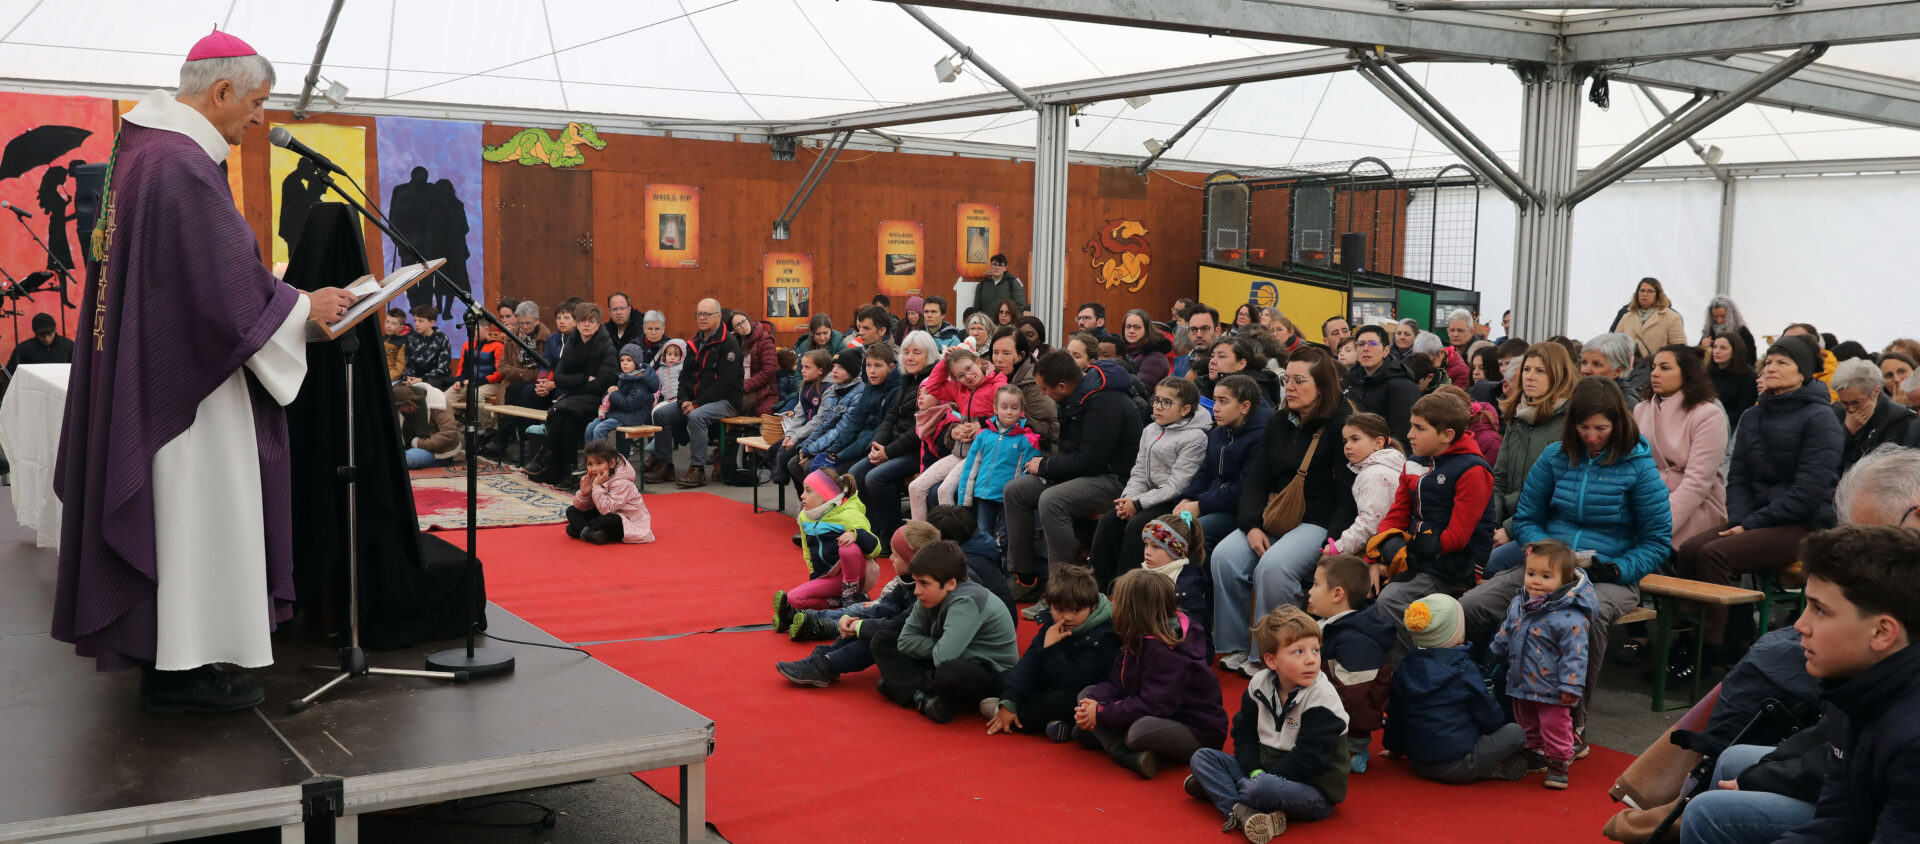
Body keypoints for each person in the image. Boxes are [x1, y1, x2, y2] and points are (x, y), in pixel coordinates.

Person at [52, 30, 363, 710]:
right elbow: (224, 294)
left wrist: (275, 300)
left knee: (181, 524)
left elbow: (198, 281)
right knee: (192, 520)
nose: (259, 118)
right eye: (256, 102)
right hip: (188, 394)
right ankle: (179, 672)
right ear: (220, 92)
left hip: (169, 374)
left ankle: (177, 662)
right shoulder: (181, 166)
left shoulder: (145, 152)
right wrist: (303, 306)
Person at [1462, 378, 1670, 739]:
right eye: (1584, 427)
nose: (1592, 436)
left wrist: (1618, 567)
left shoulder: (1638, 465)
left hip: (1610, 575)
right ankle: (1472, 695)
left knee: (1584, 620)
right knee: (1471, 605)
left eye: (1601, 429)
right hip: (1548, 566)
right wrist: (1545, 551)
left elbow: (1656, 541)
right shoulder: (1555, 456)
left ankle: (1573, 724)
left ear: (1618, 425)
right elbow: (1526, 518)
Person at [1676, 335, 1843, 670]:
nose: (1772, 367)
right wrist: (1739, 518)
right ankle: (1713, 635)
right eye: (1769, 361)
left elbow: (1809, 491)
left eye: (1783, 362)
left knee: (1715, 553)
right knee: (1690, 548)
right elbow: (1737, 478)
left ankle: (1710, 649)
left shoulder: (1820, 418)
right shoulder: (1753, 416)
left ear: (1803, 374)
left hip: (1803, 524)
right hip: (1755, 519)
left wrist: (1749, 524)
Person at [1767, 525, 1920, 844]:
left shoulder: (1912, 740)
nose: (1800, 625)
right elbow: (1839, 820)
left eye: (1820, 609)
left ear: (1881, 633)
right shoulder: (1852, 690)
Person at [1211, 348, 1356, 669]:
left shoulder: (1341, 426)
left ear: (1322, 386)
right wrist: (1250, 526)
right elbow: (1257, 479)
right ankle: (1236, 644)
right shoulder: (1280, 420)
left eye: (1298, 380)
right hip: (1274, 515)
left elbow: (1348, 496)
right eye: (1285, 378)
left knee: (1274, 568)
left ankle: (1271, 653)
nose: (1289, 386)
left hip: (1318, 519)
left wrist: (1332, 545)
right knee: (1224, 557)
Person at [1186, 606, 1346, 841]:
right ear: (1272, 660)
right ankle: (1243, 812)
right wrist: (1254, 771)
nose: (1311, 660)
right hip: (1262, 773)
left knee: (1260, 789)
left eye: (1315, 650)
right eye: (1298, 652)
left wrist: (1261, 782)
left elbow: (1309, 759)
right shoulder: (1259, 684)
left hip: (1313, 789)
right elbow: (1243, 733)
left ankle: (1226, 794)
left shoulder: (1323, 697)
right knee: (1202, 757)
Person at [1619, 344, 1730, 664]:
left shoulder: (1707, 413)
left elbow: (1698, 481)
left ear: (1688, 373)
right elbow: (1634, 466)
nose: (1654, 373)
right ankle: (1636, 634)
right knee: (1611, 539)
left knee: (1646, 546)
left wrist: (1658, 521)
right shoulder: (1642, 409)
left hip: (1696, 507)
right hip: (1649, 498)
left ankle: (1683, 635)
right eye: (1654, 366)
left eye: (1665, 367)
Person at [1004, 352, 1142, 600]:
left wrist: (1045, 466)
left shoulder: (1104, 402)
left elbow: (1091, 461)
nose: (1043, 395)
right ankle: (1025, 577)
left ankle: (1062, 589)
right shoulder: (1078, 393)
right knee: (1016, 491)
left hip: (1116, 479)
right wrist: (1048, 466)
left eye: (1045, 390)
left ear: (1062, 386)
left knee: (1052, 500)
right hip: (1084, 471)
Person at [1069, 569, 1227, 778]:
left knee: (1139, 732)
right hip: (1153, 712)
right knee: (1086, 695)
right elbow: (1117, 685)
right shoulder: (1139, 636)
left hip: (1193, 729)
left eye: (1118, 602)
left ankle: (1121, 751)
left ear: (1134, 611)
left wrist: (1101, 713)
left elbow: (1156, 706)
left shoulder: (1167, 652)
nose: (1113, 605)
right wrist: (1094, 704)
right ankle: (1116, 739)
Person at [1364, 391, 1495, 618]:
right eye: (1411, 425)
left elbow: (1457, 538)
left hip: (1455, 565)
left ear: (1447, 435)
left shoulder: (1473, 470)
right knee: (1356, 585)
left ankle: (1405, 655)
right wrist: (1375, 555)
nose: (1409, 435)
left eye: (1419, 428)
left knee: (1390, 600)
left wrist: (1404, 559)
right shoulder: (1414, 462)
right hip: (1417, 553)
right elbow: (1396, 515)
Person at [871, 540, 1020, 723]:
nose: (917, 591)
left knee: (950, 672)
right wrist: (940, 645)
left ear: (950, 584)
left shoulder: (966, 600)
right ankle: (922, 697)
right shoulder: (929, 595)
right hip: (950, 658)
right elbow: (905, 641)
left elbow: (944, 658)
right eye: (916, 582)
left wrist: (938, 649)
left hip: (990, 672)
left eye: (924, 583)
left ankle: (905, 686)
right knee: (882, 640)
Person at [1386, 594, 1530, 785]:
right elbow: (1489, 716)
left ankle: (1487, 766)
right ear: (1459, 635)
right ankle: (1489, 769)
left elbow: (1395, 712)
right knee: (1516, 732)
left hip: (1417, 762)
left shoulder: (1406, 666)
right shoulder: (1465, 670)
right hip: (1457, 763)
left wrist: (1394, 747)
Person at [1490, 539, 1594, 790]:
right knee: (1526, 719)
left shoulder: (1570, 616)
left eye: (1546, 576)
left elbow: (1576, 655)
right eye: (1531, 573)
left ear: (1564, 580)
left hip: (1553, 688)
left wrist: (1571, 686)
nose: (1536, 580)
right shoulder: (1520, 602)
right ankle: (1533, 752)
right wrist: (1499, 646)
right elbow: (1509, 627)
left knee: (1555, 726)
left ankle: (1559, 762)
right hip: (1521, 678)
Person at [1089, 378, 1210, 590]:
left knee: (1139, 526)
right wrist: (1128, 499)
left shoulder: (1195, 437)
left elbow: (1178, 484)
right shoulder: (1151, 429)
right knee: (1109, 521)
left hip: (1174, 501)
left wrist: (1138, 504)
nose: (1157, 406)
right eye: (1156, 400)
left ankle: (1125, 591)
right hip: (1147, 497)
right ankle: (1097, 590)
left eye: (1167, 402)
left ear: (1186, 409)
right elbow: (1138, 471)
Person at [775, 522, 933, 683]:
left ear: (912, 562)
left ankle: (827, 663)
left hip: (920, 652)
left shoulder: (924, 594)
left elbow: (899, 626)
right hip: (904, 634)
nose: (891, 558)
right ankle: (823, 656)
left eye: (896, 555)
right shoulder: (907, 582)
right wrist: (858, 621)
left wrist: (859, 626)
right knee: (862, 620)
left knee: (877, 637)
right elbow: (886, 607)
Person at [985, 565, 1119, 739]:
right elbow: (1029, 662)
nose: (1067, 617)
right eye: (1060, 610)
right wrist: (1009, 700)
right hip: (1050, 682)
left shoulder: (1104, 637)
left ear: (1092, 607)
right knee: (1007, 678)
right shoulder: (1052, 624)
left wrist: (1051, 649)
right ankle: (1013, 711)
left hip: (1080, 694)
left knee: (1057, 703)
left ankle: (1004, 714)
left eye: (1077, 610)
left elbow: (1073, 682)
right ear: (1051, 606)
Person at [1307, 554, 1397, 774]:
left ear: (1338, 594)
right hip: (1324, 714)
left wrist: (1302, 707)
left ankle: (1354, 754)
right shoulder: (1333, 624)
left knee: (1303, 763)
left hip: (1347, 727)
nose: (1309, 591)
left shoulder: (1358, 641)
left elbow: (1348, 698)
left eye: (1316, 585)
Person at [1490, 343, 1578, 557]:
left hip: (1544, 528)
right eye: (1527, 369)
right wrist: (1491, 524)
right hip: (1506, 524)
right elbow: (1500, 477)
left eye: (1540, 371)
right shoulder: (1518, 416)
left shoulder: (1570, 422)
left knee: (1490, 564)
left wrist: (1510, 530)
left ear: (1558, 376)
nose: (1530, 377)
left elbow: (1558, 492)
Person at [850, 331, 937, 546]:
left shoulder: (931, 384)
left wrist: (887, 452)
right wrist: (878, 445)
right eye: (906, 352)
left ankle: (890, 536)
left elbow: (919, 431)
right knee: (855, 473)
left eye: (917, 352)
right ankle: (873, 530)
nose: (910, 357)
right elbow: (890, 418)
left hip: (921, 450)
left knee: (875, 477)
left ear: (930, 355)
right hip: (894, 446)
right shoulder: (907, 380)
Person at [1170, 374, 1272, 558]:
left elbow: (1246, 489)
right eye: (1215, 400)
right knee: (1161, 527)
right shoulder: (1218, 432)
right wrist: (1187, 498)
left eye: (1223, 402)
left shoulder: (1261, 438)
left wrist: (1200, 504)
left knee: (1193, 534)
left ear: (1245, 407)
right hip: (1213, 501)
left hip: (1241, 509)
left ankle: (1197, 586)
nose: (1215, 408)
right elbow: (1206, 473)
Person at [645, 298, 742, 488]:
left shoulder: (729, 343)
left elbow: (726, 383)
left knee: (697, 416)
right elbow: (685, 377)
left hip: (726, 400)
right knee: (661, 413)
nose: (702, 318)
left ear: (719, 316)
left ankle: (697, 469)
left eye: (707, 314)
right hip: (696, 400)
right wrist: (683, 400)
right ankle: (665, 464)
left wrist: (696, 403)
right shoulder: (694, 342)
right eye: (699, 314)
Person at [906, 345, 1004, 520]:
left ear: (978, 362)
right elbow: (934, 387)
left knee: (944, 491)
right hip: (959, 452)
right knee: (915, 487)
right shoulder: (959, 389)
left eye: (968, 368)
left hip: (981, 454)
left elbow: (1011, 417)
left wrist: (981, 424)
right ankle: (920, 539)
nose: (967, 376)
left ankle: (954, 540)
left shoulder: (997, 385)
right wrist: (944, 363)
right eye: (960, 376)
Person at [529, 302, 617, 486]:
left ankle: (543, 458)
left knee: (561, 409)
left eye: (591, 321)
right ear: (576, 323)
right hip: (574, 401)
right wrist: (585, 378)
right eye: (583, 321)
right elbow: (560, 377)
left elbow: (604, 382)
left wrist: (574, 384)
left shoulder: (607, 347)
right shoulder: (572, 343)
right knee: (565, 418)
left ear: (598, 324)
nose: (586, 325)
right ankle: (568, 473)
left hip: (597, 400)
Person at [773, 467, 882, 615]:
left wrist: (855, 534)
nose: (802, 495)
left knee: (847, 547)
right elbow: (807, 551)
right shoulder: (806, 516)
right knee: (794, 599)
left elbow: (876, 547)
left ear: (825, 495)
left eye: (808, 491)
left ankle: (851, 595)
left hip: (856, 576)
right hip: (829, 577)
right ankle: (836, 601)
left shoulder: (849, 515)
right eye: (803, 490)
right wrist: (814, 579)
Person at [954, 384, 1045, 545]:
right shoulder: (984, 435)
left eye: (1014, 407)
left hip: (1008, 498)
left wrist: (1020, 496)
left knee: (1005, 535)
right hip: (984, 494)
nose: (1009, 411)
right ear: (995, 408)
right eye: (1004, 407)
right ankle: (987, 565)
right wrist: (964, 497)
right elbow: (971, 466)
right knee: (983, 532)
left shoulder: (1028, 439)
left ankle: (1005, 566)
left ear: (1021, 410)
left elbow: (1028, 471)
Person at [1326, 412, 1419, 556]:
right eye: (1345, 441)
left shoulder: (1373, 475)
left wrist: (1339, 548)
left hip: (1386, 548)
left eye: (1355, 439)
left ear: (1378, 443)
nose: (1347, 446)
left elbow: (1370, 522)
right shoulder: (1392, 465)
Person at [1832, 358, 1915, 473]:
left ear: (1875, 391)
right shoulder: (1837, 411)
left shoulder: (1898, 417)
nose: (1850, 409)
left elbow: (1885, 466)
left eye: (1856, 402)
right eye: (1845, 403)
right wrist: (1847, 432)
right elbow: (1823, 456)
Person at [563, 438, 652, 545]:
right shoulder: (592, 478)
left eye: (599, 463)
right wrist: (584, 494)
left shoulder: (622, 483)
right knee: (571, 511)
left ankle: (585, 530)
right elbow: (581, 507)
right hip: (601, 513)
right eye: (590, 464)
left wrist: (596, 487)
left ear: (612, 463)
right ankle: (591, 532)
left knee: (607, 520)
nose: (594, 468)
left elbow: (607, 509)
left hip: (626, 520)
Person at [1343, 324, 1421, 443]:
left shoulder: (1402, 385)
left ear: (1386, 350)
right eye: (1361, 344)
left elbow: (1402, 434)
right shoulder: (1349, 380)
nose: (1366, 348)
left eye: (1373, 343)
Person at [767, 349, 829, 489]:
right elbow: (798, 414)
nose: (802, 370)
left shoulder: (828, 389)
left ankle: (808, 494)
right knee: (773, 450)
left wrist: (796, 437)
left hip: (817, 433)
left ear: (820, 370)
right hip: (802, 431)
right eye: (802, 366)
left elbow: (819, 420)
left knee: (789, 459)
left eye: (807, 367)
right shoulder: (805, 386)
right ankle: (800, 495)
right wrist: (790, 435)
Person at [988, 326, 1059, 446]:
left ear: (1021, 355)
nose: (998, 359)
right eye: (995, 353)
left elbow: (1048, 430)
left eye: (1006, 353)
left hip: (1031, 451)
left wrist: (987, 422)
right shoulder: (990, 374)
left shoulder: (1034, 383)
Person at [585, 344, 658, 456]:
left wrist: (614, 393)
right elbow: (619, 398)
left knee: (600, 429)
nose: (624, 363)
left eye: (629, 360)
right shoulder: (626, 377)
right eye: (622, 360)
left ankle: (603, 461)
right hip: (621, 413)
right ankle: (590, 460)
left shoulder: (641, 381)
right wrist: (611, 392)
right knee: (591, 426)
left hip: (634, 415)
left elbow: (629, 405)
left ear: (637, 362)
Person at [1613, 277, 1686, 371]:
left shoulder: (1672, 317)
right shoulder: (1626, 317)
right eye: (1642, 291)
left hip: (1656, 370)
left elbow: (1679, 349)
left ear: (1658, 294)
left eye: (1650, 291)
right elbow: (1615, 343)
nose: (1645, 294)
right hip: (1629, 371)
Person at [1197, 335, 1281, 408]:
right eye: (1212, 356)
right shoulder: (1202, 383)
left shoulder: (1254, 392)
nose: (1212, 361)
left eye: (1221, 356)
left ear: (1241, 364)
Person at [392, 383, 460, 469]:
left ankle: (444, 461)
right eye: (400, 406)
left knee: (406, 460)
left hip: (438, 451)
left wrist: (418, 443)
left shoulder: (436, 402)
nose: (405, 409)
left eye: (408, 405)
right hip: (411, 447)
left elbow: (448, 435)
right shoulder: (398, 410)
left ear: (415, 400)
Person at [730, 310, 779, 415]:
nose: (743, 326)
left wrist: (745, 386)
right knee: (721, 402)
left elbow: (769, 371)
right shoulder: (735, 341)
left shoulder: (764, 340)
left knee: (732, 405)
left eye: (744, 321)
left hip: (761, 388)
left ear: (749, 320)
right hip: (739, 386)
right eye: (738, 325)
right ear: (734, 330)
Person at [1708, 331, 1758, 433]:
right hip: (1708, 422)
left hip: (1734, 426)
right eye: (1715, 347)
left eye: (1723, 348)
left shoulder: (1748, 376)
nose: (1716, 351)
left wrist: (1717, 420)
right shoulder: (1707, 372)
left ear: (1735, 352)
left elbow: (1744, 411)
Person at [1581, 332, 1641, 409]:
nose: (1586, 370)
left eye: (1596, 364)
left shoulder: (1625, 405)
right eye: (1584, 362)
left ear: (1617, 371)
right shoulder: (1579, 396)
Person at [1119, 308, 1172, 390]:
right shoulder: (1125, 351)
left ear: (1146, 330)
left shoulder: (1155, 358)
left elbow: (1141, 390)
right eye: (1128, 326)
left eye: (1137, 327)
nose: (1131, 331)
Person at [1699, 294, 1757, 367]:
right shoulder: (1709, 331)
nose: (1719, 320)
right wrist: (1701, 347)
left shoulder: (1742, 331)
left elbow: (1751, 357)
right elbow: (1697, 358)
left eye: (1723, 316)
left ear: (1731, 315)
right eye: (1715, 317)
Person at [404, 304, 454, 389]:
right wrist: (409, 378)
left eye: (421, 321)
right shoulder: (411, 338)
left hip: (435, 379)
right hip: (415, 378)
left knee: (423, 388)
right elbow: (409, 365)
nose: (416, 324)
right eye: (415, 321)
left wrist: (421, 379)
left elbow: (442, 369)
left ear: (432, 323)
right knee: (397, 390)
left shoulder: (442, 338)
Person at [7, 312, 74, 372]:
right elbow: (10, 375)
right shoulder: (22, 350)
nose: (47, 339)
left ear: (55, 330)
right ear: (34, 332)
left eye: (49, 334)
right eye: (41, 335)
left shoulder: (70, 347)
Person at [974, 253, 1028, 320]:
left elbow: (1020, 307)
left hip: (1006, 326)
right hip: (987, 326)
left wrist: (1011, 322)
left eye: (1000, 265)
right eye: (994, 264)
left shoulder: (1013, 283)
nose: (997, 267)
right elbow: (976, 309)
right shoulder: (982, 285)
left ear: (1005, 268)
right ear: (990, 266)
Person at [1183, 306, 1220, 379]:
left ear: (1217, 331)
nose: (1199, 335)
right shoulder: (1179, 362)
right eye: (1193, 329)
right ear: (1188, 333)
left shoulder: (1224, 367)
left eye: (1205, 329)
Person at [381, 308, 408, 382]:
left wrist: (384, 379)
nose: (388, 326)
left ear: (401, 327)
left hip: (391, 378)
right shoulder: (382, 338)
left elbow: (399, 370)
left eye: (393, 323)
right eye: (387, 322)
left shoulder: (404, 343)